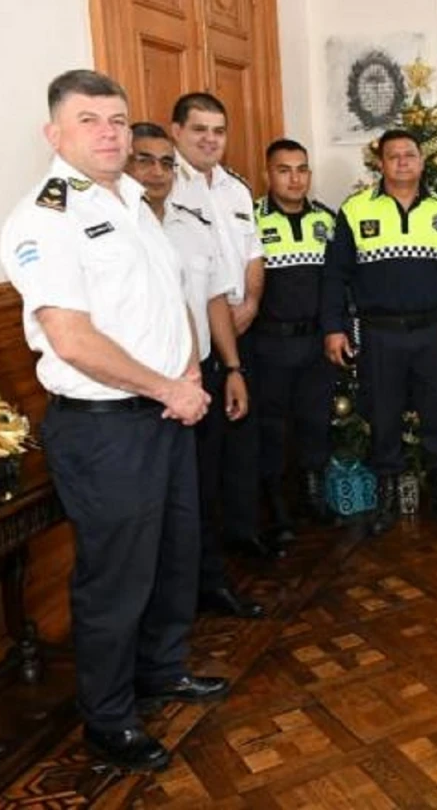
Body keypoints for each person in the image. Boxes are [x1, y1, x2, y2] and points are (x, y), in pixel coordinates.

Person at [0, 70, 226, 772]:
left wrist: (188, 374)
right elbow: (72, 339)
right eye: (90, 120)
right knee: (116, 578)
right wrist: (169, 386)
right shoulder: (45, 218)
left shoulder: (133, 199)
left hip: (166, 411)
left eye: (118, 120)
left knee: (174, 556)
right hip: (105, 428)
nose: (108, 133)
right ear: (54, 133)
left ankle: (162, 669)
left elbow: (168, 300)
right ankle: (109, 721)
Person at [125, 122, 264, 620]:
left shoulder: (192, 225)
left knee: (202, 491)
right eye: (144, 160)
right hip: (141, 387)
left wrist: (232, 367)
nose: (157, 172)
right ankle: (163, 607)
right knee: (150, 507)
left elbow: (214, 301)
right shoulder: (117, 230)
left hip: (202, 373)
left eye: (165, 162)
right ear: (124, 162)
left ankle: (208, 584)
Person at [324, 129, 437, 536]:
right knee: (383, 414)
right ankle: (386, 496)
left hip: (433, 331)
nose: (403, 161)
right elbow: (335, 276)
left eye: (410, 155)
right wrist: (334, 328)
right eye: (394, 156)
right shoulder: (355, 211)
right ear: (381, 164)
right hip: (379, 333)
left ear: (422, 162)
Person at [169, 93, 279, 562]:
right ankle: (205, 555)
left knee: (243, 439)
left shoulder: (235, 189)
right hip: (196, 340)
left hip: (241, 326)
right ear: (177, 131)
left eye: (218, 131)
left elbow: (254, 254)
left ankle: (243, 532)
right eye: (199, 129)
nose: (210, 139)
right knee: (204, 452)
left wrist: (251, 301)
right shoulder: (165, 188)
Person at [252, 139, 337, 535]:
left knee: (315, 422)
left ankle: (312, 496)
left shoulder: (326, 220)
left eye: (302, 169)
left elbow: (338, 284)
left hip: (315, 344)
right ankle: (276, 506)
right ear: (267, 174)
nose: (295, 178)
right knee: (272, 429)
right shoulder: (250, 220)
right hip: (270, 344)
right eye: (284, 170)